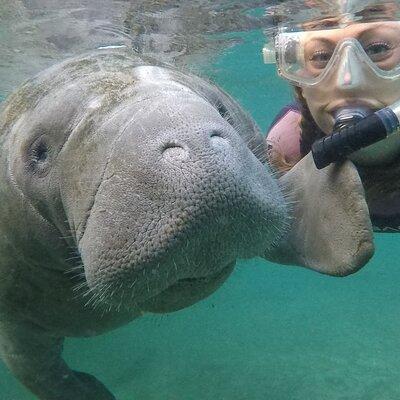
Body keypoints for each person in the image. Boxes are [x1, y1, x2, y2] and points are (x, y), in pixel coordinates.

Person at [263, 0, 400, 231]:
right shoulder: (287, 149)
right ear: (300, 85)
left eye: (377, 49)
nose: (348, 81)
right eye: (321, 56)